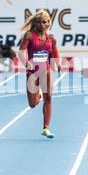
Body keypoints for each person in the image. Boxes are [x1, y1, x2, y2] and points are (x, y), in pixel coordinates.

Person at [18, 10, 61, 138]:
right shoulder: (29, 35)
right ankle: (38, 96)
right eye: (39, 22)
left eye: (44, 22)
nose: (42, 24)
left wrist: (57, 64)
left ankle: (46, 127)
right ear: (35, 23)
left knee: (49, 97)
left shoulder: (51, 39)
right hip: (32, 72)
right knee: (32, 104)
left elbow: (55, 54)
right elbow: (21, 52)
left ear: (49, 23)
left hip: (46, 70)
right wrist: (26, 63)